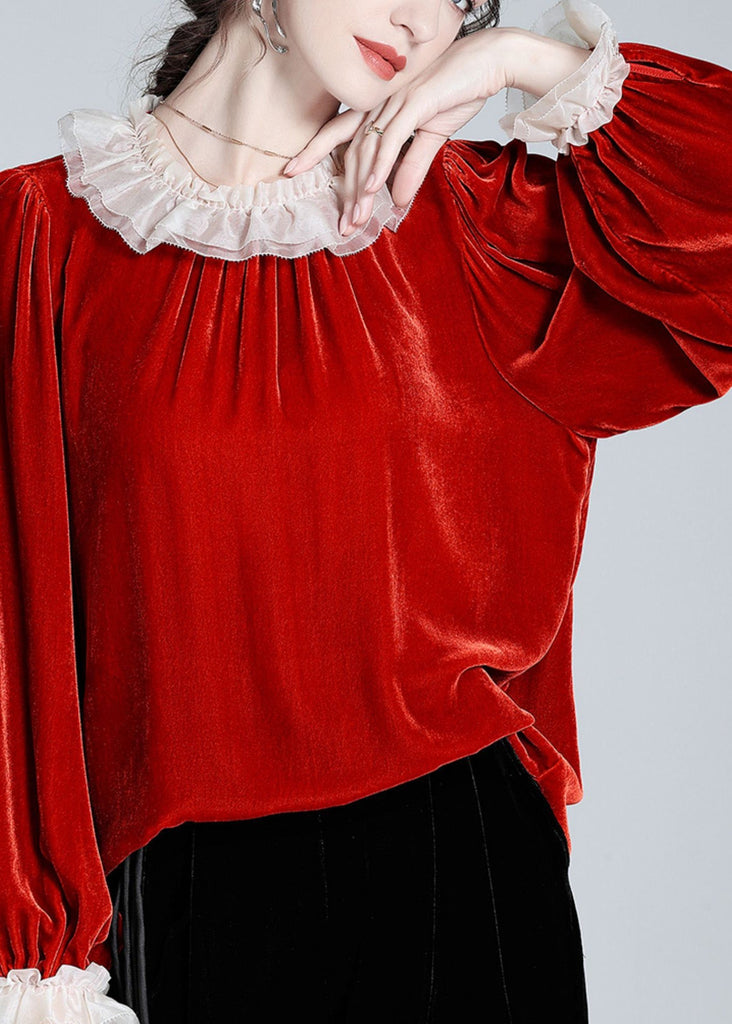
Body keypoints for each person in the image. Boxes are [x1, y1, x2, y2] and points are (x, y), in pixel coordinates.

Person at [0, 0, 730, 1020]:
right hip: (189, 901)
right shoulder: (38, 236)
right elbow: (12, 635)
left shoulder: (470, 220)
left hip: (459, 865)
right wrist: (38, 948)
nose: (420, 18)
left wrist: (524, 60)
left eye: (462, 1)